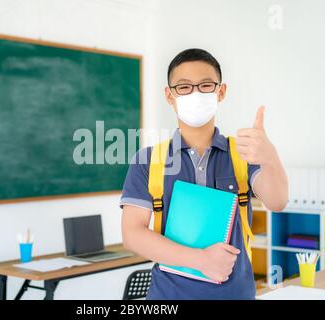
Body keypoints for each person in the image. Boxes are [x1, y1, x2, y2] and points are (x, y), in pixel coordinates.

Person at [120, 48, 288, 300]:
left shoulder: (242, 154)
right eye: (184, 87)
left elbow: (277, 201)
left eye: (206, 85)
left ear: (221, 92)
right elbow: (132, 235)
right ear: (169, 95)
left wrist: (270, 157)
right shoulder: (147, 161)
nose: (196, 93)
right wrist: (201, 260)